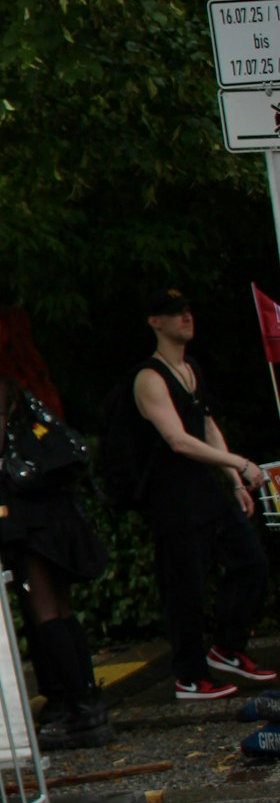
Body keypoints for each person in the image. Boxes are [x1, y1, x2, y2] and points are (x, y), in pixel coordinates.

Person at [0, 304, 112, 748]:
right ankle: (87, 698)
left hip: (25, 514)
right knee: (62, 608)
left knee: (43, 609)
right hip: (54, 508)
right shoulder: (34, 380)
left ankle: (76, 706)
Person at [134, 288, 273, 701]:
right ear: (155, 322)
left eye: (188, 310)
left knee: (251, 562)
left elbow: (207, 426)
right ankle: (190, 676)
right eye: (174, 312)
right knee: (186, 588)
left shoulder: (191, 369)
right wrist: (240, 463)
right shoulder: (149, 378)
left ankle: (227, 647)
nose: (186, 317)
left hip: (206, 491)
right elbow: (178, 440)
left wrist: (234, 480)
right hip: (173, 500)